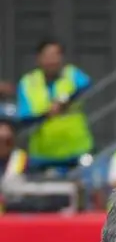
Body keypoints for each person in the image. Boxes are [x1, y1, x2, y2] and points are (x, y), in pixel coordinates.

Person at [15, 39, 91, 173]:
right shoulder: (28, 82)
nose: (52, 60)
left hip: (76, 150)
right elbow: (24, 117)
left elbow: (85, 85)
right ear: (39, 58)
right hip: (43, 155)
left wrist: (65, 101)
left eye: (56, 55)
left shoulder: (71, 73)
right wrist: (46, 114)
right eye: (48, 56)